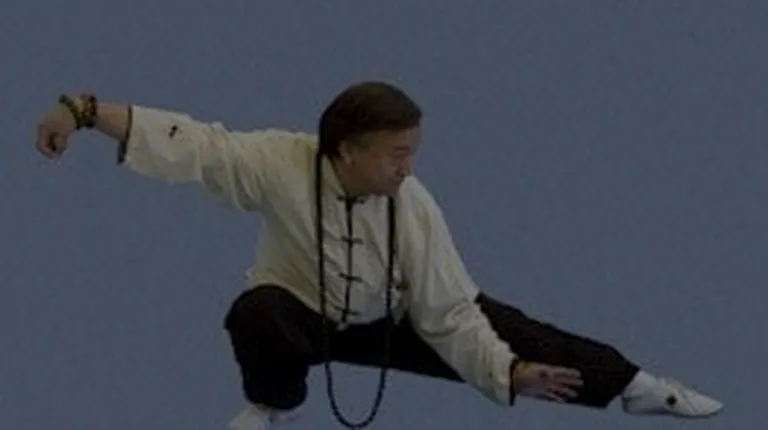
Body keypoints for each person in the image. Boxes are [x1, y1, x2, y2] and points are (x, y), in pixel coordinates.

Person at [35, 82, 723, 430]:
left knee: (532, 342)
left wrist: (510, 371)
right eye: (396, 154)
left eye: (412, 152)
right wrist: (82, 109)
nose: (407, 167)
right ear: (345, 151)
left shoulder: (413, 205)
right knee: (255, 314)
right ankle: (270, 406)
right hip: (304, 313)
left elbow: (451, 315)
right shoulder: (276, 161)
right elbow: (192, 144)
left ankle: (640, 389)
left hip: (399, 318)